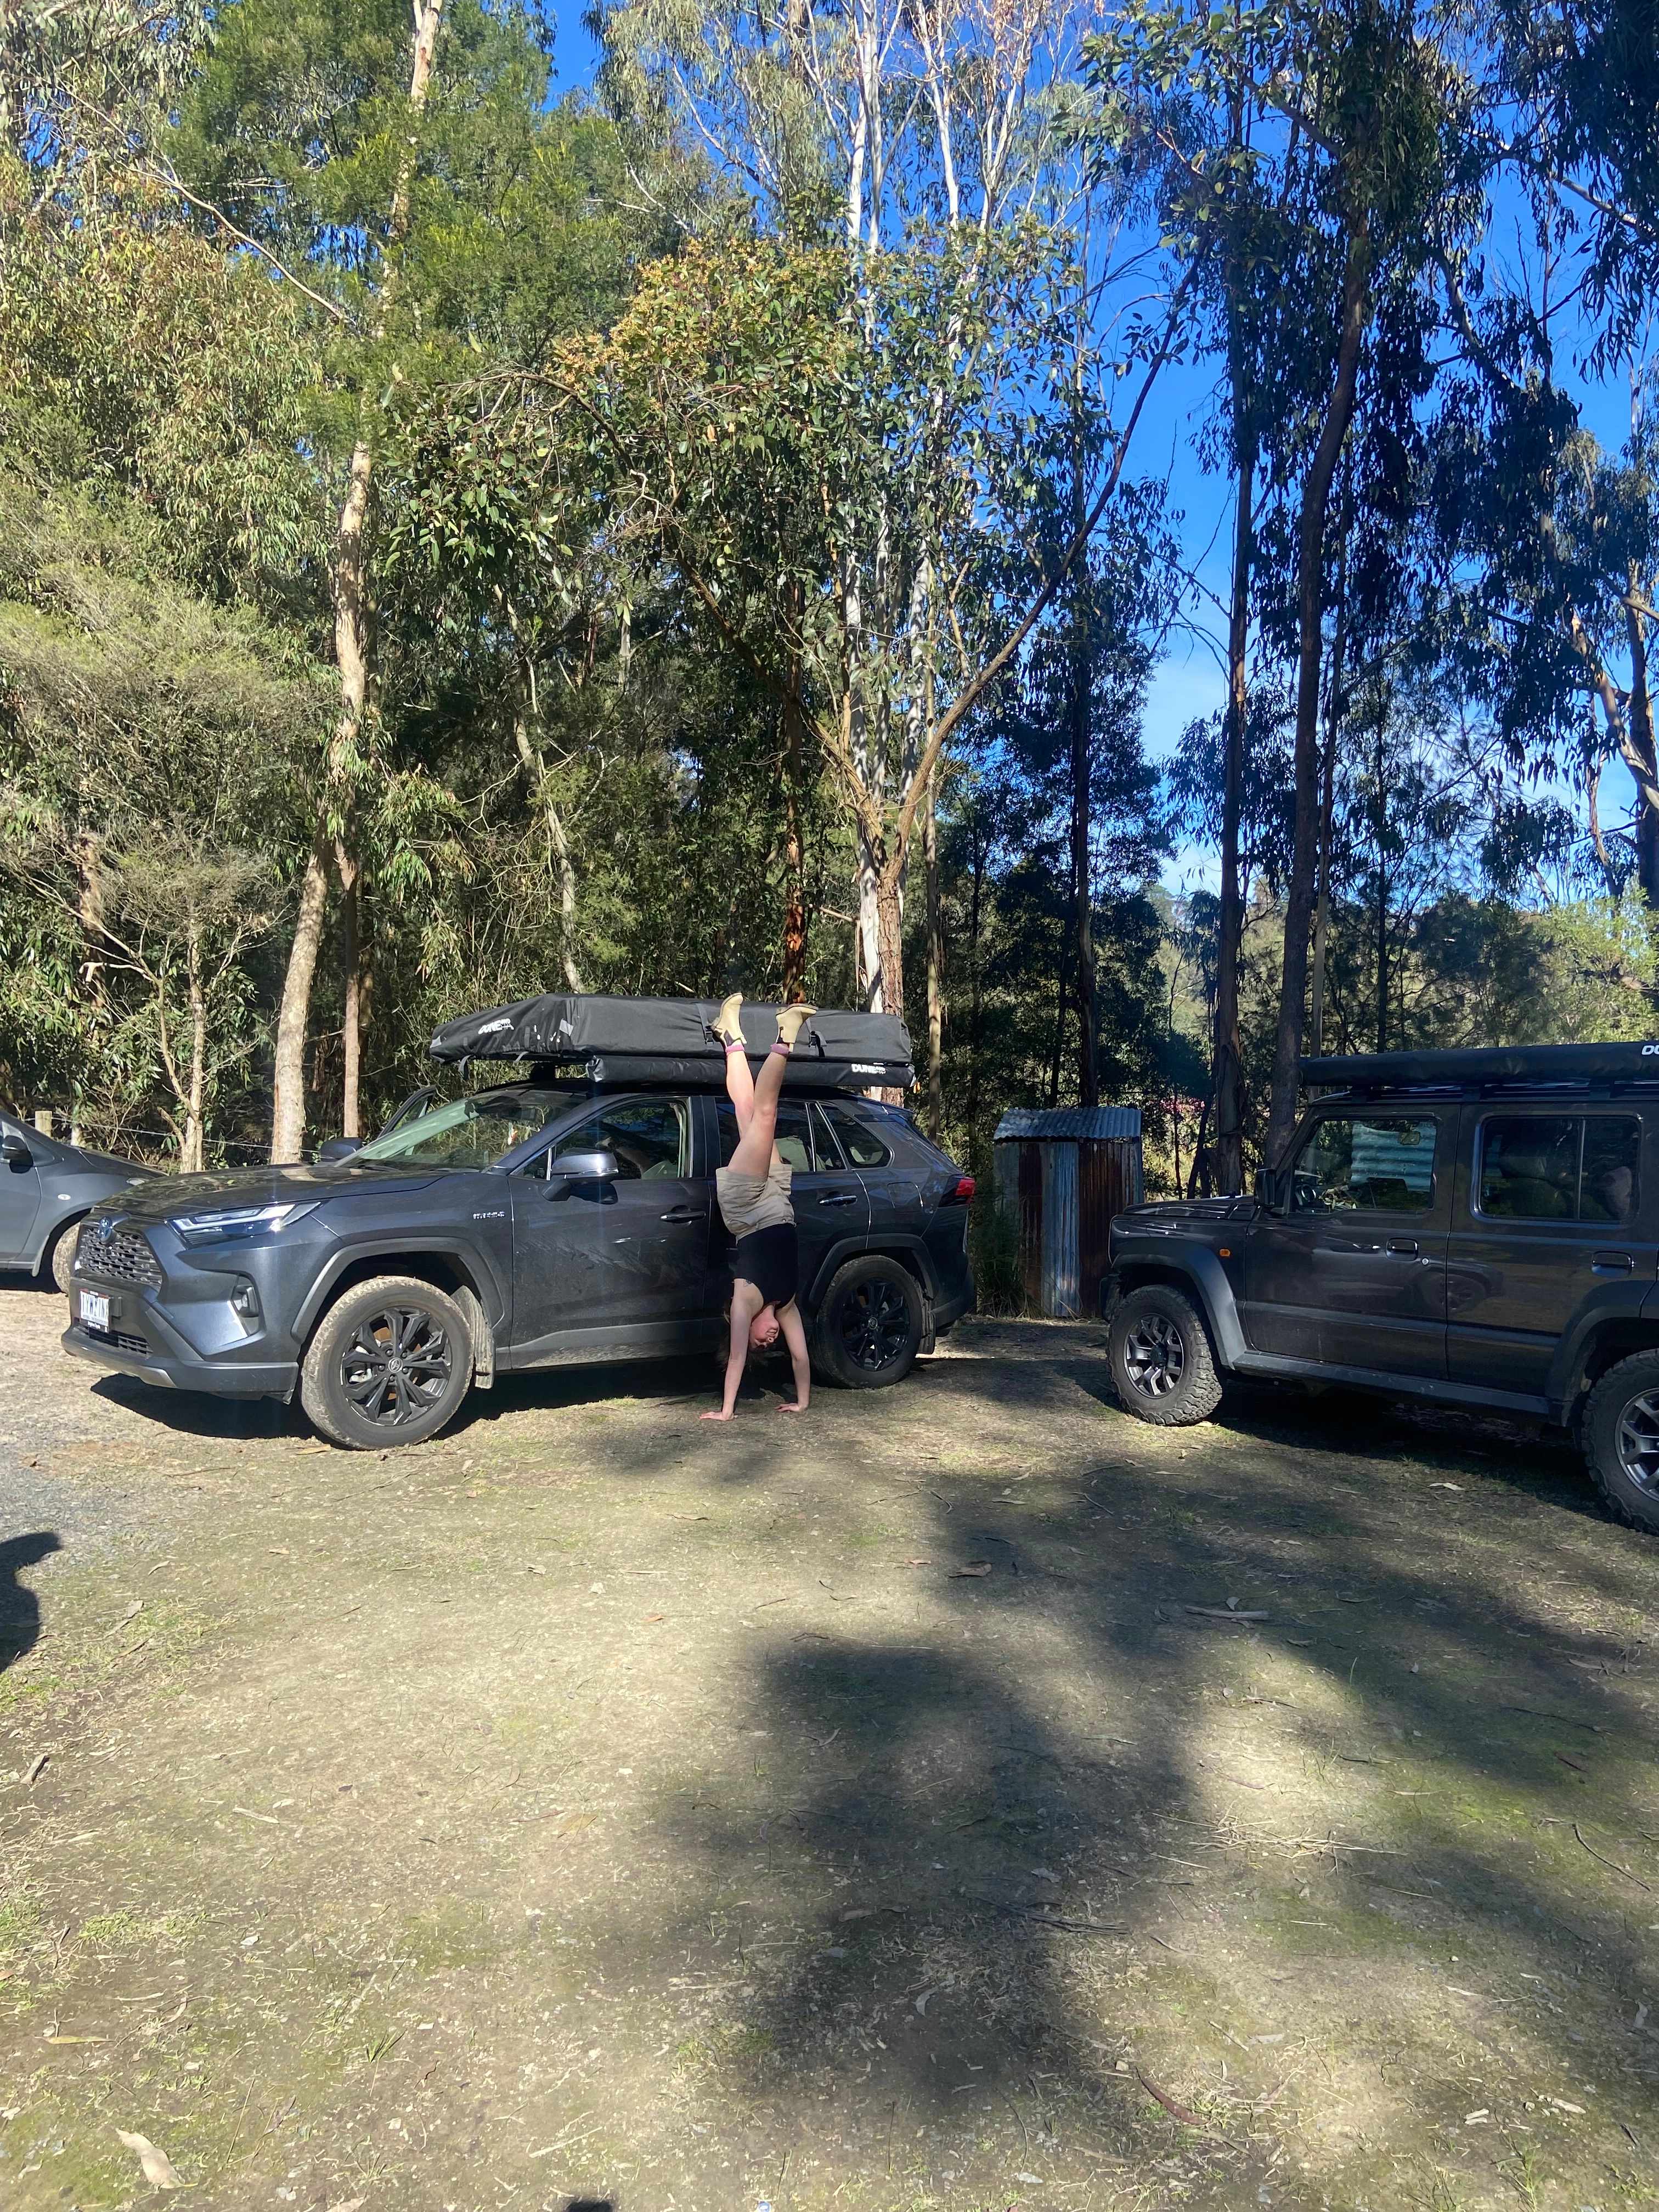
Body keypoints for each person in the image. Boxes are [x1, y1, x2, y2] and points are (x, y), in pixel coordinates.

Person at [702, 992, 816, 1421]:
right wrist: (802, 1402)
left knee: (765, 1116)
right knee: (750, 1111)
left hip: (747, 1207)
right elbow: (801, 1357)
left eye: (758, 1343)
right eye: (771, 1345)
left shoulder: (743, 1303)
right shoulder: (785, 1303)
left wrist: (726, 1412)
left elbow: (735, 1360)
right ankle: (730, 1035)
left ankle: (785, 1036)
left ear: (746, 1331)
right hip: (777, 1199)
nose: (770, 1341)